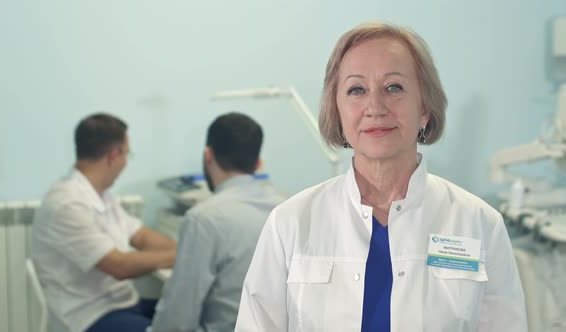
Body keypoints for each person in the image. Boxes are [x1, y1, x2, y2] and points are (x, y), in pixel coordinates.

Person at [235, 22, 527, 331]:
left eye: (394, 87)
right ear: (338, 110)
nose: (375, 106)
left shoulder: (479, 223)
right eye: (356, 90)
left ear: (425, 108)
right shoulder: (290, 222)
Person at [32, 113, 176, 332]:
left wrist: (181, 248)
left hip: (123, 304)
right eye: (127, 154)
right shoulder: (67, 204)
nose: (126, 162)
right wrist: (184, 254)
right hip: (89, 317)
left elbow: (141, 235)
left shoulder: (101, 195)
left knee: (190, 316)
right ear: (113, 155)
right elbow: (120, 266)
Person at [149, 112, 286, 332]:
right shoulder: (287, 209)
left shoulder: (204, 219)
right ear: (258, 163)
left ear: (208, 155)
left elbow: (177, 318)